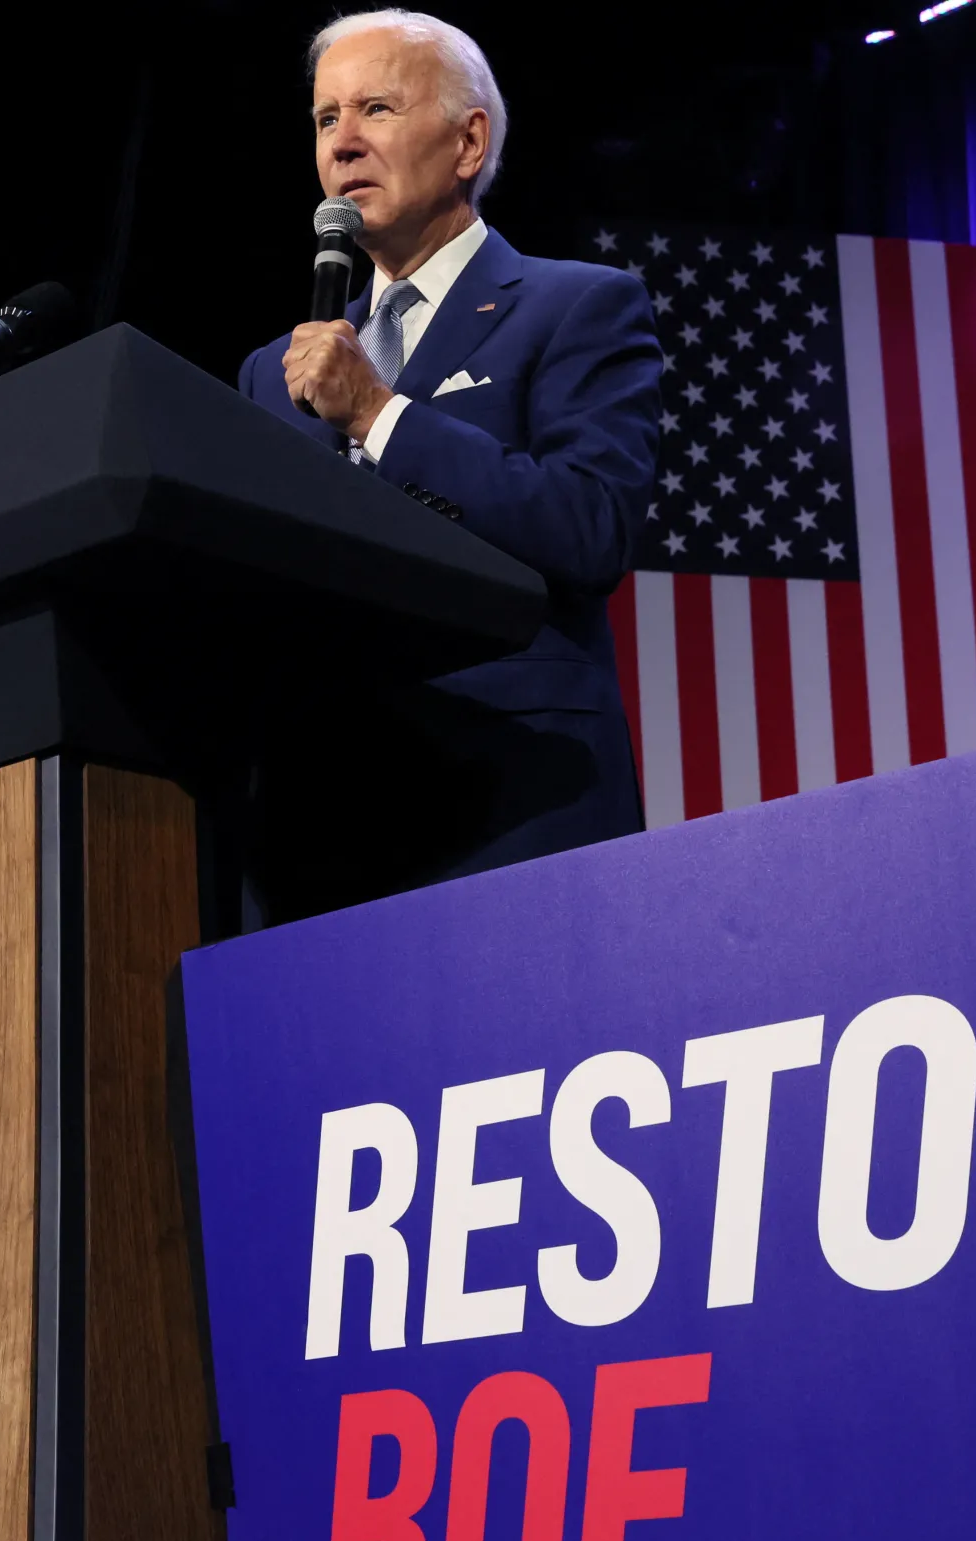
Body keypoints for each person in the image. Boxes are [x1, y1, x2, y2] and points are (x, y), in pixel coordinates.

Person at [238, 8, 661, 920]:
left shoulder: (576, 307)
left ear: (468, 142)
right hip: (314, 842)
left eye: (376, 109)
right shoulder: (271, 375)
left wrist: (381, 415)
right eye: (324, 119)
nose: (343, 142)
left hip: (510, 808)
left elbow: (590, 527)